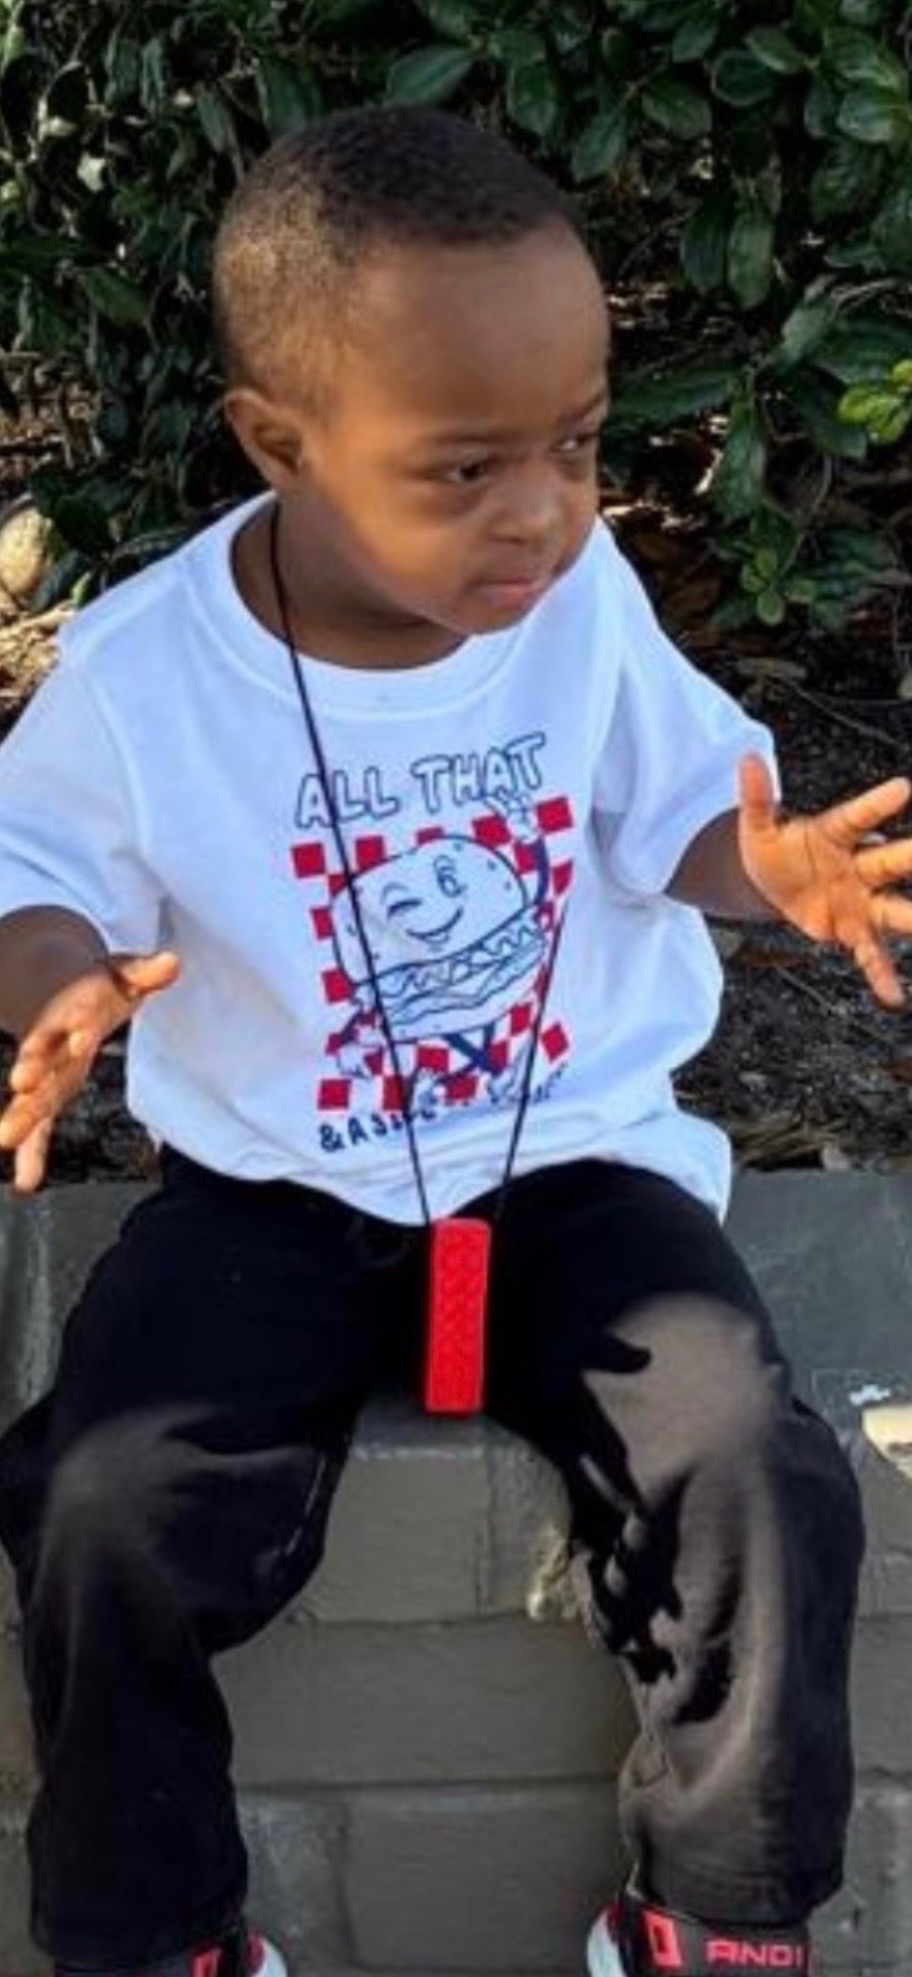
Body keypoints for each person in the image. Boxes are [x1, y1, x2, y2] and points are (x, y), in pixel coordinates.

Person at [0, 104, 905, 1977]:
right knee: (100, 1502)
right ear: (281, 442)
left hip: (570, 1160)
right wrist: (57, 978)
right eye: (467, 466)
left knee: (753, 1460)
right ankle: (153, 1927)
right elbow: (35, 868)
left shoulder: (581, 604)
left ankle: (719, 1908)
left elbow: (677, 802)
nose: (544, 511)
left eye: (577, 442)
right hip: (273, 1183)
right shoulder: (148, 673)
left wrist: (767, 868)